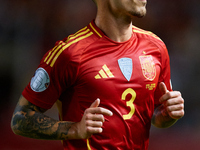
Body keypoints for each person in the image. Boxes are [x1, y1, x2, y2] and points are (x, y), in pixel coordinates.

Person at [11, 0, 184, 149]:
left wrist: (167, 115)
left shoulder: (156, 48)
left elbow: (154, 117)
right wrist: (75, 129)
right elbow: (20, 118)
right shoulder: (70, 53)